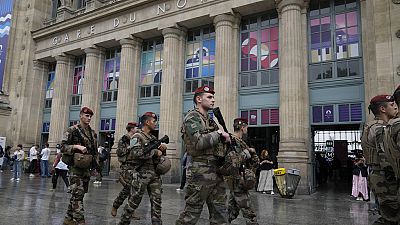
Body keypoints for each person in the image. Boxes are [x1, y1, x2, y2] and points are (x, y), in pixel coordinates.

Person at [176, 85, 231, 225]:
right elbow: (199, 142)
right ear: (199, 99)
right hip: (200, 170)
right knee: (191, 213)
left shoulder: (211, 121)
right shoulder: (192, 117)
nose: (213, 100)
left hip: (216, 170)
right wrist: (219, 134)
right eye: (209, 97)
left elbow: (218, 142)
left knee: (220, 213)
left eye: (213, 97)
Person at [118, 112, 167, 225]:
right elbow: (136, 153)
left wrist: (163, 150)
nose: (156, 124)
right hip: (142, 174)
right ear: (147, 122)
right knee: (134, 201)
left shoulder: (153, 138)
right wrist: (155, 152)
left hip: (154, 174)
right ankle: (123, 222)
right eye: (154, 121)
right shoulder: (136, 137)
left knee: (157, 203)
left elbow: (160, 155)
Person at [361, 94, 399, 225]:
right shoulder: (381, 128)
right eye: (392, 104)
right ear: (383, 109)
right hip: (386, 178)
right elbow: (385, 157)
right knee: (391, 217)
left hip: (377, 175)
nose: (395, 106)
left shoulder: (369, 126)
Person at [61, 106, 98, 225]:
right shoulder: (72, 130)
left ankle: (68, 218)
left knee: (79, 195)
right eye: (87, 116)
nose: (89, 118)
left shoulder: (92, 133)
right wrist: (76, 147)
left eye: (90, 116)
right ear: (81, 115)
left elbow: (94, 151)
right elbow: (62, 147)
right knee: (77, 194)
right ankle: (80, 221)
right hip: (75, 168)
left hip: (86, 168)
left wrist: (95, 167)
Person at [226, 118, 259, 225]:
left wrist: (251, 153)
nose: (247, 130)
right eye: (246, 127)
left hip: (239, 180)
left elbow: (253, 162)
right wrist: (246, 152)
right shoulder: (231, 142)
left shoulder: (241, 142)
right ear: (242, 127)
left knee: (232, 212)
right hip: (237, 180)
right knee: (249, 213)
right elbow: (233, 162)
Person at [111, 122, 140, 220]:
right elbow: (119, 152)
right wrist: (129, 147)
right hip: (127, 168)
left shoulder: (137, 139)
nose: (137, 129)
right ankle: (115, 205)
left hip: (136, 167)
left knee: (134, 191)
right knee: (127, 189)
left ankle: (131, 211)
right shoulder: (124, 139)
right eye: (136, 127)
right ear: (131, 129)